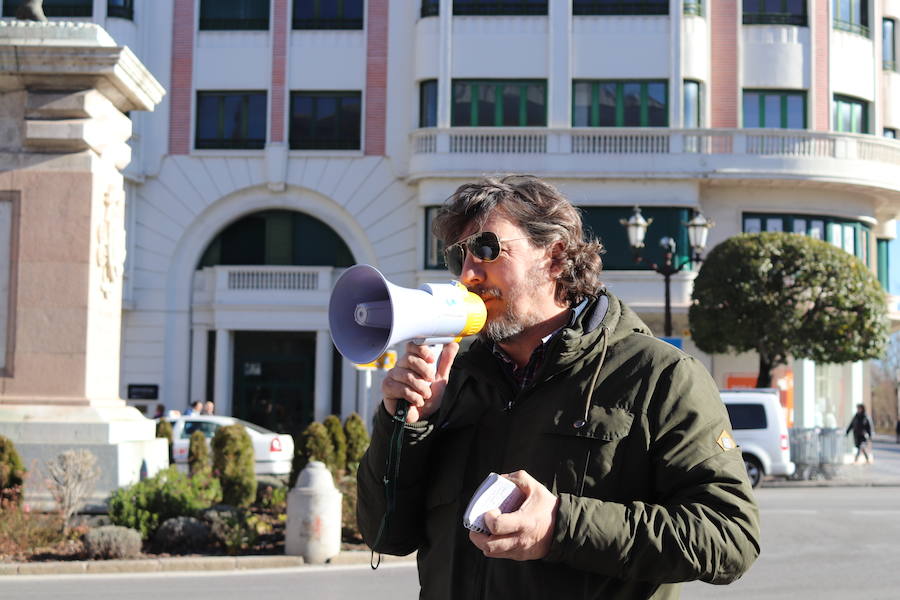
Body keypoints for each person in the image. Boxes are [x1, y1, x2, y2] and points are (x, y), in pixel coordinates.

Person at [356, 175, 760, 599]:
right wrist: (408, 425)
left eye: (487, 249)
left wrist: (560, 526)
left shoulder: (659, 375)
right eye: (460, 257)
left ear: (555, 257)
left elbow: (729, 538)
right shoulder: (454, 378)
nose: (469, 274)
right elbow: (386, 535)